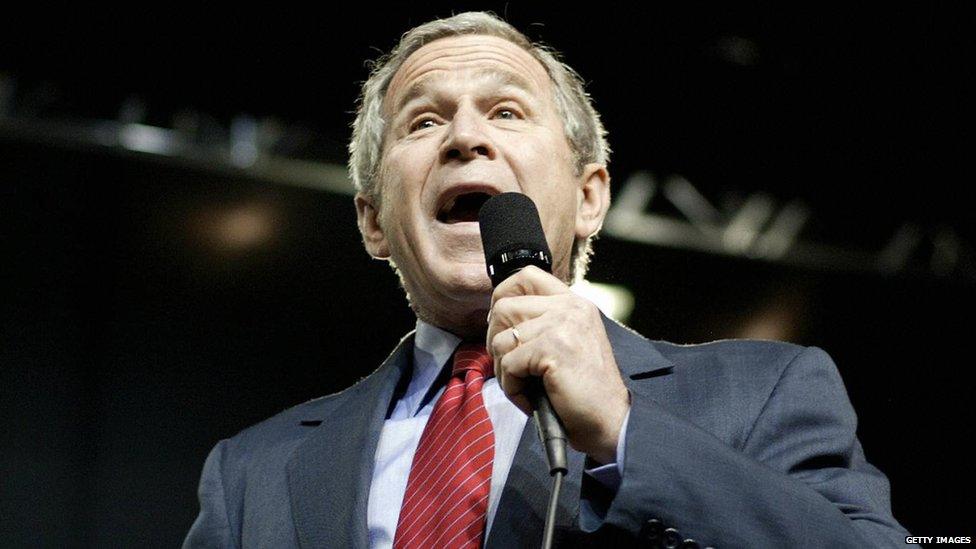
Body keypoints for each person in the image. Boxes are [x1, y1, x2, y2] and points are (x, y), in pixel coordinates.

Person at [185, 12, 912, 548]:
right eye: (422, 121)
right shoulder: (253, 471)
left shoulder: (762, 393)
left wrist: (626, 431)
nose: (465, 138)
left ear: (590, 195)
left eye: (506, 110)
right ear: (373, 222)